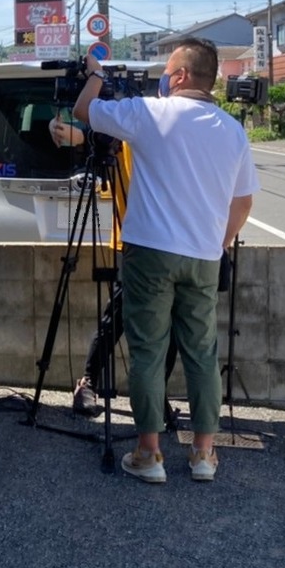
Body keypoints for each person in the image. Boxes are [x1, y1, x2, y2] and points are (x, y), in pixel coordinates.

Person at [73, 39, 258, 484]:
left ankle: (149, 454)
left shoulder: (150, 112)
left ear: (179, 76)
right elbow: (244, 200)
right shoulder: (232, 130)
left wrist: (96, 74)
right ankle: (203, 454)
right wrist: (221, 242)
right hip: (203, 253)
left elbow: (84, 111)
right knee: (201, 352)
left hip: (150, 250)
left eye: (168, 69)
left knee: (148, 352)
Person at [47, 120, 182, 419]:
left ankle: (155, 392)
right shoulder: (132, 131)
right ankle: (88, 381)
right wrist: (79, 134)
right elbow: (99, 135)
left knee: (170, 325)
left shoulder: (177, 140)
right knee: (117, 317)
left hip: (173, 245)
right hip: (131, 243)